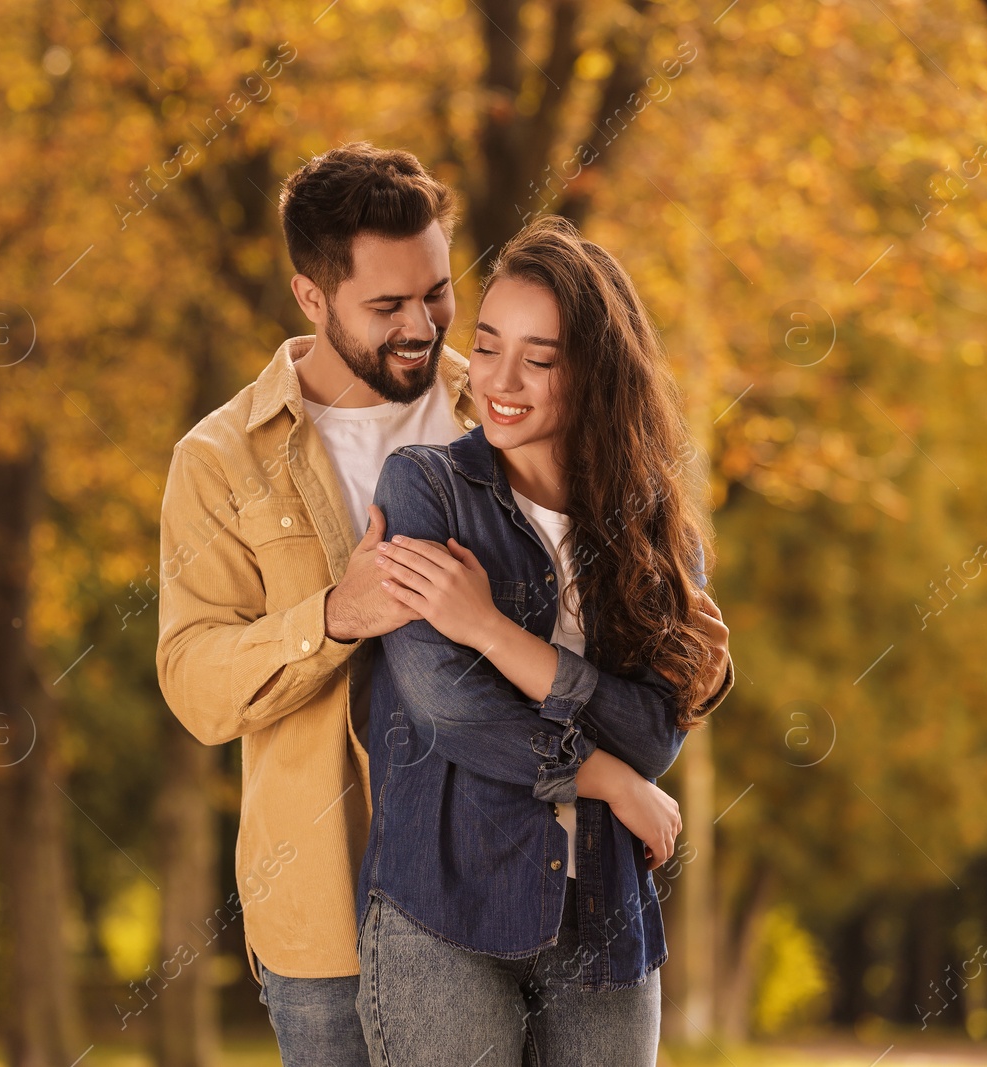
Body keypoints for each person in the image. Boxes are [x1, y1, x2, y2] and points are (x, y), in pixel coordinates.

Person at [156, 146, 730, 1063]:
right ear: (312, 298)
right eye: (386, 306)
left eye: (436, 293)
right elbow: (194, 684)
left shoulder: (503, 396)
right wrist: (334, 616)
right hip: (331, 899)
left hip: (536, 865)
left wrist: (666, 663)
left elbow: (634, 619)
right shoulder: (223, 460)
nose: (422, 326)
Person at [354, 214, 733, 1066]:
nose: (501, 379)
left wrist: (488, 627)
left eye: (541, 357)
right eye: (487, 346)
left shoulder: (660, 533)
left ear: (595, 373)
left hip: (604, 920)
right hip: (442, 910)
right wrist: (605, 777)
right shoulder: (427, 492)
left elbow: (653, 734)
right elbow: (450, 708)